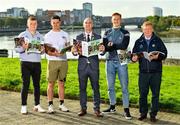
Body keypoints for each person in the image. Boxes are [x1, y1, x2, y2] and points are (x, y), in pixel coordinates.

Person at [132, 21, 167, 122]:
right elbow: (134, 55)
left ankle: (153, 115)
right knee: (142, 94)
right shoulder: (138, 41)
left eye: (149, 29)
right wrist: (133, 58)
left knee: (155, 94)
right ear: (142, 29)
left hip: (156, 72)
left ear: (152, 30)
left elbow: (165, 54)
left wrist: (157, 56)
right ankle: (143, 113)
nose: (147, 31)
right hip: (143, 73)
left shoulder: (158, 40)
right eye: (145, 29)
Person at [99, 12, 131, 120]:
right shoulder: (106, 33)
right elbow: (104, 47)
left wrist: (111, 46)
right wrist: (105, 49)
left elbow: (124, 45)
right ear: (111, 20)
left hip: (122, 60)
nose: (116, 21)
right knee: (110, 86)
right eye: (114, 19)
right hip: (109, 61)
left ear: (120, 20)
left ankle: (126, 109)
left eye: (118, 19)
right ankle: (112, 107)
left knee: (124, 87)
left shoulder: (125, 32)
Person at [71, 18, 103, 117]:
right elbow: (75, 53)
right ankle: (83, 109)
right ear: (83, 25)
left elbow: (102, 53)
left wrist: (102, 50)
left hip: (94, 66)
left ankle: (97, 109)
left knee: (96, 88)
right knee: (82, 88)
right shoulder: (78, 37)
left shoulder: (98, 37)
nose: (88, 24)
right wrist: (74, 51)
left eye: (89, 23)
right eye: (86, 23)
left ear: (92, 24)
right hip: (82, 67)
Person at [15, 15, 45, 114]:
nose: (33, 25)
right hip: (25, 63)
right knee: (26, 84)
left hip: (37, 63)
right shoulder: (22, 35)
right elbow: (17, 49)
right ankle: (23, 106)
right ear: (27, 24)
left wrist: (42, 50)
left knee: (37, 85)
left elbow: (42, 52)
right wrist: (23, 47)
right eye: (31, 24)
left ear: (37, 24)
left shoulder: (40, 36)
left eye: (35, 24)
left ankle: (37, 105)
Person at [44, 15, 69, 113]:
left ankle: (61, 104)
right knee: (51, 83)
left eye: (57, 22)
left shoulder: (65, 34)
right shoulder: (47, 35)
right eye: (53, 23)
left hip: (63, 61)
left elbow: (68, 47)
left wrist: (67, 49)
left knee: (61, 83)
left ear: (60, 22)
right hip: (52, 61)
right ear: (51, 23)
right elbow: (46, 50)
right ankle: (50, 105)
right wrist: (53, 53)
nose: (55, 24)